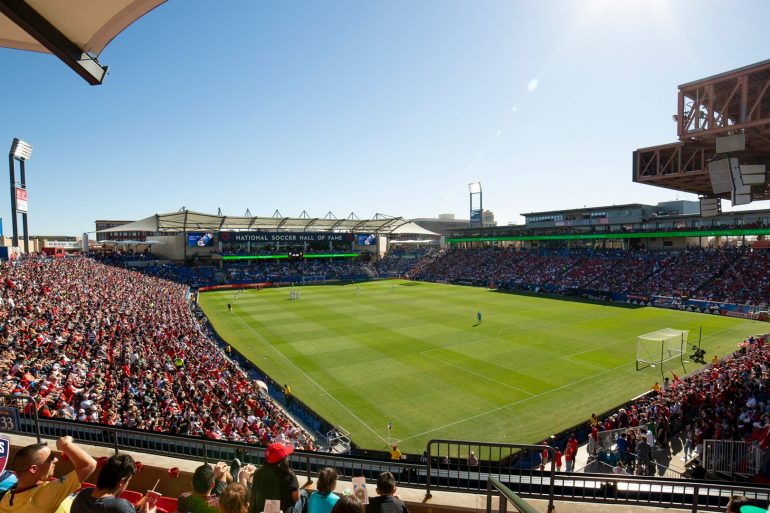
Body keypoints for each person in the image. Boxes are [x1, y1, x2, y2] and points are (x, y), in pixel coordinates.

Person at [0, 436, 97, 513]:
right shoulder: (44, 495)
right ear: (34, 469)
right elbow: (88, 465)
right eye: (50, 458)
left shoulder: (7, 498)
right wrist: (65, 444)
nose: (56, 460)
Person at [71, 453, 150, 513]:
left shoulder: (83, 494)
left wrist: (131, 509)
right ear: (122, 482)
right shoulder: (121, 507)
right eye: (128, 480)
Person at [248, 442, 299, 513]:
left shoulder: (257, 473)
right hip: (282, 511)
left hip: (260, 510)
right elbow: (296, 499)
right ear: (283, 460)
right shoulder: (290, 476)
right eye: (286, 456)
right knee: (304, 495)